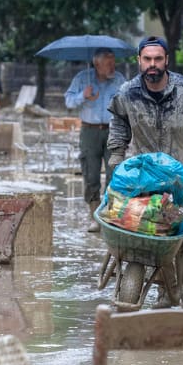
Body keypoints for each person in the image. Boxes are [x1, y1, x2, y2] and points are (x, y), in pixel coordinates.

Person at [107, 35, 183, 309]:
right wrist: (116, 154)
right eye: (147, 59)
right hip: (146, 179)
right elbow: (119, 123)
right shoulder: (127, 93)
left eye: (158, 59)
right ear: (139, 61)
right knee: (156, 238)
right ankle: (164, 294)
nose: (153, 65)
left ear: (166, 60)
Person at [65, 47, 127, 232]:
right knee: (90, 175)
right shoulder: (83, 79)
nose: (112, 67)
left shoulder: (120, 80)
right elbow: (68, 101)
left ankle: (108, 217)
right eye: (108, 64)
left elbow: (130, 103)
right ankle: (94, 216)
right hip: (89, 131)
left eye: (113, 63)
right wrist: (83, 95)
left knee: (114, 174)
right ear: (97, 64)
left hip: (114, 131)